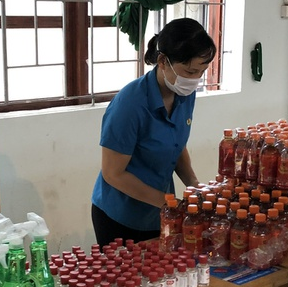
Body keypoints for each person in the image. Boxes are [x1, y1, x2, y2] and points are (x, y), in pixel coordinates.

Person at [91, 18, 216, 247]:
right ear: (162, 61)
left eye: (202, 72)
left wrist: (194, 185)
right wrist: (168, 202)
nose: (195, 80)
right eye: (189, 71)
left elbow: (175, 145)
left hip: (159, 212)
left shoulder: (185, 94)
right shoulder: (130, 104)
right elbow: (113, 173)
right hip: (120, 216)